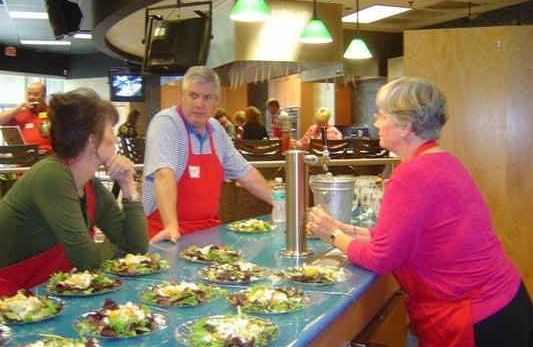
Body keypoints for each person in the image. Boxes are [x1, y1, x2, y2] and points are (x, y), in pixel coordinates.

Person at [308, 77, 532, 347]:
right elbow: (412, 237)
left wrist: (331, 234)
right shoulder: (442, 160)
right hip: (504, 304)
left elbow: (382, 259)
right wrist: (350, 230)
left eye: (381, 116)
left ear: (407, 126)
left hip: (478, 318)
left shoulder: (411, 175)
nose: (376, 123)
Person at [0, 88, 148, 296]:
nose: (115, 139)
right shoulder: (51, 175)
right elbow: (85, 257)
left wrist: (129, 186)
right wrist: (119, 250)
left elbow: (138, 245)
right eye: (111, 131)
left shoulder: (90, 185)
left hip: (40, 294)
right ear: (92, 140)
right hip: (10, 297)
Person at [143, 66, 272, 243]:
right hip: (167, 233)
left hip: (207, 235)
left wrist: (281, 203)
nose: (199, 104)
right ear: (182, 95)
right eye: (193, 95)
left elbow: (245, 173)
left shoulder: (216, 130)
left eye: (207, 97)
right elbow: (164, 174)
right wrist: (171, 226)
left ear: (216, 100)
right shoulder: (167, 122)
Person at [0, 82, 52, 153]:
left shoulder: (52, 112)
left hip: (47, 157)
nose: (31, 97)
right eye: (29, 94)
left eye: (35, 94)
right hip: (25, 156)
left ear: (44, 96)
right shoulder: (21, 111)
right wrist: (18, 108)